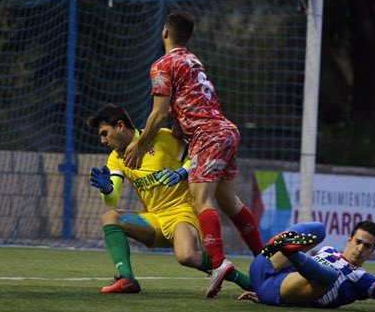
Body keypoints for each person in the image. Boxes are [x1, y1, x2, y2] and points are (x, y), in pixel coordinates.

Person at [123, 11, 264, 298]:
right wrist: (181, 125)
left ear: (165, 32)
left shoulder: (163, 64)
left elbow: (158, 114)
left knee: (200, 199)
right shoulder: (193, 60)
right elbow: (192, 101)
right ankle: (266, 261)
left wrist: (138, 145)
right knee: (229, 202)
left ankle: (219, 263)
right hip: (226, 130)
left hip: (207, 134)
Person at [86, 103, 253, 296]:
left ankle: (244, 280)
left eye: (105, 133)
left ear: (121, 126)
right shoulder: (116, 158)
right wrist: (107, 189)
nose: (103, 140)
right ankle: (126, 279)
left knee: (187, 257)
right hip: (155, 219)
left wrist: (182, 172)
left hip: (182, 214)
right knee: (110, 217)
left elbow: (199, 157)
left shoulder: (163, 138)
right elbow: (112, 198)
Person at [240, 220, 375, 309]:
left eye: (367, 246)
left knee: (330, 275)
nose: (361, 248)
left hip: (280, 292)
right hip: (266, 272)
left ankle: (288, 249)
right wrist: (263, 294)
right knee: (318, 229)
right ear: (349, 240)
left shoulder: (362, 279)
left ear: (373, 251)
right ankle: (284, 248)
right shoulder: (328, 250)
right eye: (358, 242)